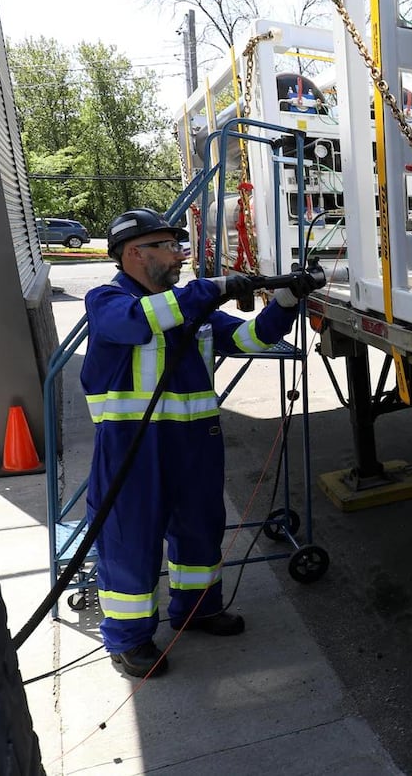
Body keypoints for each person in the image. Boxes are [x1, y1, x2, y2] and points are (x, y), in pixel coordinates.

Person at [80, 208, 313, 679]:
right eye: (168, 247)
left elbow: (249, 337)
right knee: (131, 539)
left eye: (178, 246)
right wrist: (212, 288)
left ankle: (198, 610)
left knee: (200, 529)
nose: (179, 255)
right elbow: (132, 324)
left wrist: (284, 302)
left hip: (196, 443)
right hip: (133, 448)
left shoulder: (188, 308)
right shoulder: (107, 299)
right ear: (133, 253)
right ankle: (129, 639)